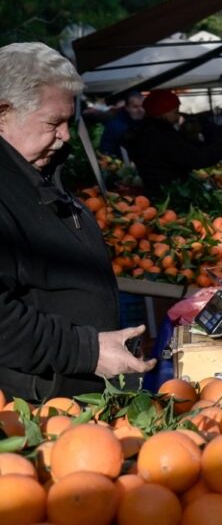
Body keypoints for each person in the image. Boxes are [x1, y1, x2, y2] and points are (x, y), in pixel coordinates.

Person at [0, 43, 155, 402]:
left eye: (70, 121)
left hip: (82, 400)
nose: (66, 135)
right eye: (53, 123)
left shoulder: (38, 170)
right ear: (3, 114)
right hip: (43, 412)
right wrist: (88, 351)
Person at [126, 89, 222, 197]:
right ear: (163, 113)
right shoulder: (161, 136)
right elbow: (198, 158)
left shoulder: (150, 132)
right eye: (175, 112)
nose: (178, 116)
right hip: (169, 195)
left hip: (162, 192)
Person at [98, 91, 145, 157]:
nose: (141, 110)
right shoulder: (114, 126)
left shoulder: (147, 123)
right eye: (135, 107)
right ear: (127, 107)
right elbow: (106, 151)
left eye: (142, 106)